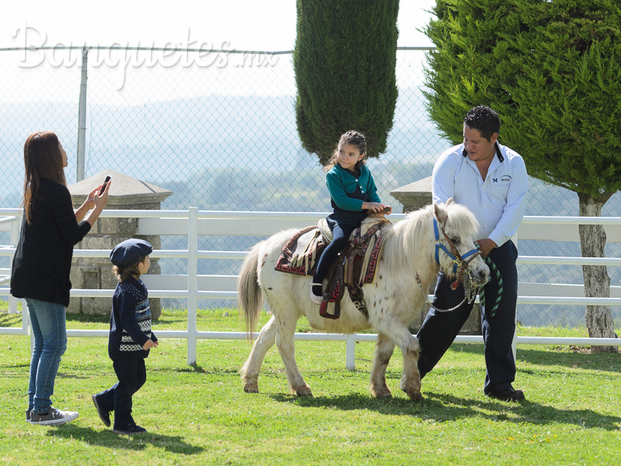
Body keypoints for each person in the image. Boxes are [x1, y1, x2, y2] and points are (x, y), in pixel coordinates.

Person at [416, 105, 529, 401]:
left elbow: (515, 209)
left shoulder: (515, 164)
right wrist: (468, 247)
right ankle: (412, 373)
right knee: (446, 314)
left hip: (499, 249)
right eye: (465, 139)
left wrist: (491, 242)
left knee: (501, 318)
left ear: (494, 138)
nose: (468, 146)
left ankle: (500, 385)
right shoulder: (448, 162)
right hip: (460, 255)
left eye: (475, 141)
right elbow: (443, 210)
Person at [11, 131, 110, 425]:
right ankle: (42, 409)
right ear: (51, 156)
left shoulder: (36, 187)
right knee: (55, 344)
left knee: (43, 345)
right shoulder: (55, 190)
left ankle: (35, 408)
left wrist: (87, 206)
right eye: (60, 147)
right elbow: (71, 234)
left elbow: (59, 225)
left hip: (29, 276)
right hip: (45, 280)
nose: (65, 151)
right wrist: (98, 211)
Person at [310, 130, 392, 304]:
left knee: (385, 236)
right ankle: (317, 280)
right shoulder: (333, 175)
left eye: (350, 154)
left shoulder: (365, 171)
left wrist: (379, 207)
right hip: (343, 219)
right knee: (340, 240)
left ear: (361, 156)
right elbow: (342, 201)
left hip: (364, 218)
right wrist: (367, 205)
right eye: (341, 152)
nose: (344, 157)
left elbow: (372, 193)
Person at [92, 238, 158, 435]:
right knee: (127, 383)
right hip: (124, 347)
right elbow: (127, 320)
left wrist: (149, 335)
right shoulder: (126, 291)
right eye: (147, 259)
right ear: (139, 265)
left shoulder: (136, 285)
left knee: (138, 379)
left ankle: (104, 401)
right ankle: (123, 422)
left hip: (134, 346)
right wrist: (142, 338)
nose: (149, 262)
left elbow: (140, 317)